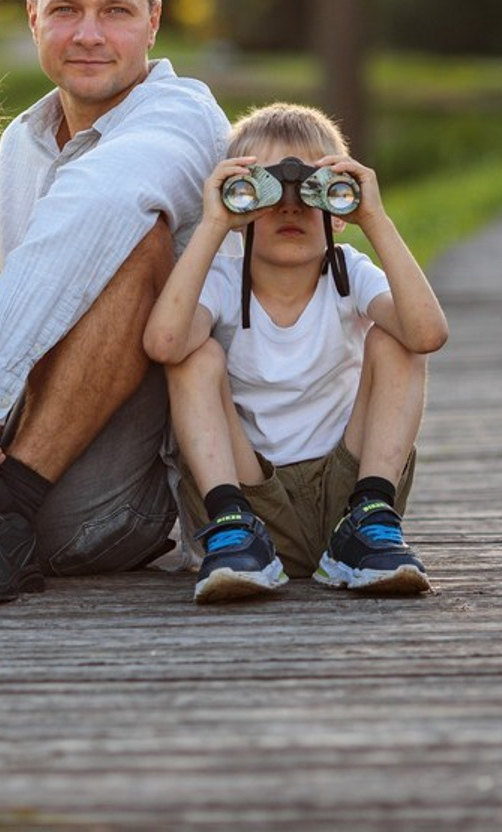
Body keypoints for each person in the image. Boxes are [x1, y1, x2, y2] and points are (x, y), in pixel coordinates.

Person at [0, 0, 229, 604]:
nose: (88, 34)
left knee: (136, 237)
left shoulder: (185, 118)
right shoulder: (27, 139)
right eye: (66, 10)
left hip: (118, 502)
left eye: (115, 11)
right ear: (33, 19)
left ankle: (6, 508)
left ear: (152, 20)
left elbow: (105, 200)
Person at [142, 102, 449, 602]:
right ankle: (230, 528)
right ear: (237, 202)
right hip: (247, 496)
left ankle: (373, 517)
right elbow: (164, 344)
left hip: (346, 496)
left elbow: (427, 334)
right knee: (195, 357)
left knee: (396, 338)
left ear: (339, 204)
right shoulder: (221, 278)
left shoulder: (348, 271)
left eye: (312, 189)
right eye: (262, 190)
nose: (290, 206)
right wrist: (214, 224)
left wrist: (375, 218)